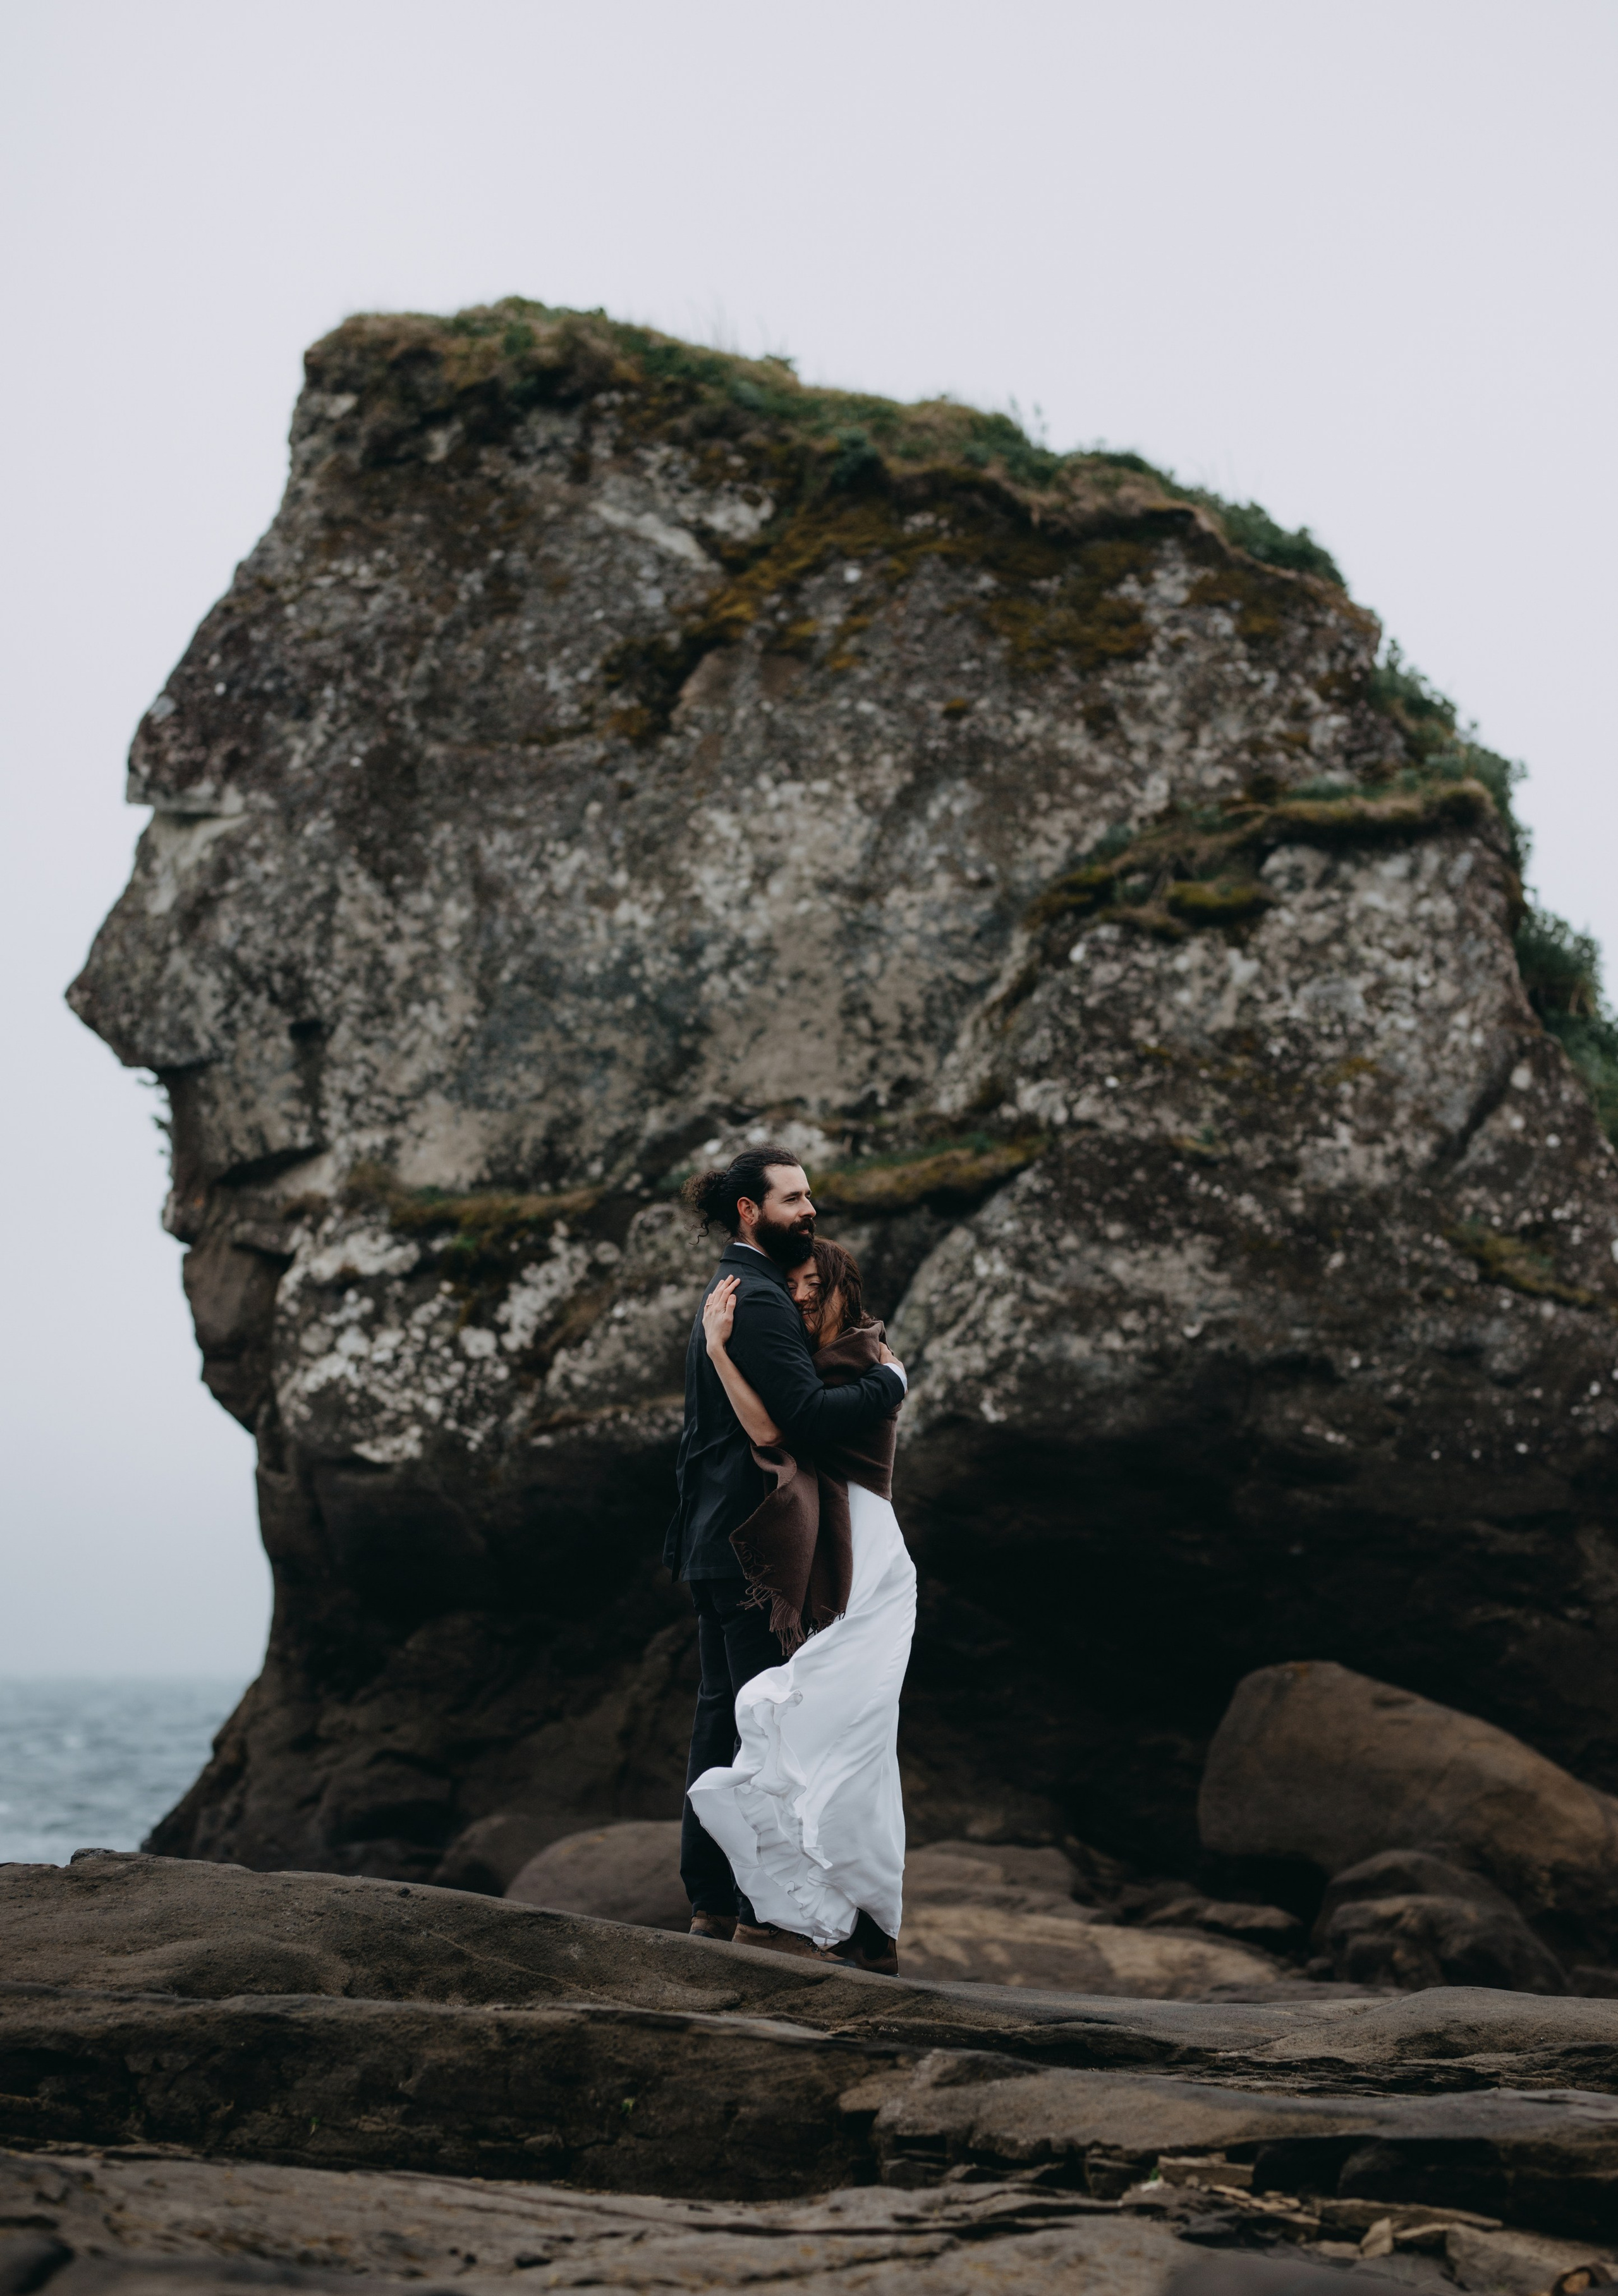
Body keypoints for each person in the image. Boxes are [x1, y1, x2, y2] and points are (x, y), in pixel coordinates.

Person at [666, 1147, 908, 1957]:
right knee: (760, 1725)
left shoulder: (733, 1298)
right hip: (754, 1548)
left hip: (716, 1540)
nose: (810, 1209)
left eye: (810, 1196)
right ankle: (750, 1909)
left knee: (724, 1721)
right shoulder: (759, 1299)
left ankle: (712, 1901)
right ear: (747, 1210)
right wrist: (893, 1383)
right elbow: (795, 1420)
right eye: (793, 1198)